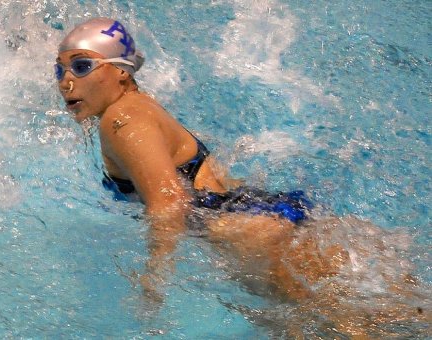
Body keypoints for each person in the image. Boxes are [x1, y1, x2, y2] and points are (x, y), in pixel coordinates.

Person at [54, 17, 427, 337]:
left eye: (82, 66)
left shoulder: (120, 121)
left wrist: (154, 278)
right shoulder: (141, 107)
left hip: (252, 238)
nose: (66, 81)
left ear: (121, 71)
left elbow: (169, 202)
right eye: (60, 69)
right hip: (271, 217)